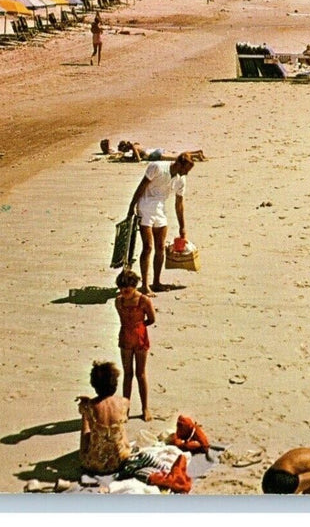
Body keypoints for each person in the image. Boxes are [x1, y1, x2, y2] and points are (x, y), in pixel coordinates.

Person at [126, 153, 195, 295]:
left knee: (160, 247)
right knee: (148, 247)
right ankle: (145, 285)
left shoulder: (181, 180)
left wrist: (182, 226)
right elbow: (141, 186)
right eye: (186, 169)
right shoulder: (157, 167)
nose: (186, 173)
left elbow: (179, 203)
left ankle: (156, 282)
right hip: (145, 206)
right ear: (179, 164)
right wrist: (131, 207)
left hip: (160, 209)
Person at [114, 269, 156, 420]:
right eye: (122, 288)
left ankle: (145, 408)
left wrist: (139, 327)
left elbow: (151, 319)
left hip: (140, 338)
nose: (125, 291)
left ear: (134, 286)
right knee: (127, 374)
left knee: (141, 374)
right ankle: (126, 408)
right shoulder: (119, 301)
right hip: (125, 337)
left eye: (128, 288)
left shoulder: (143, 300)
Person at [77, 361, 132, 474]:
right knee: (119, 427)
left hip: (94, 464)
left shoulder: (90, 406)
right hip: (119, 461)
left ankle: (85, 452)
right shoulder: (124, 402)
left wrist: (85, 407)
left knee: (87, 427)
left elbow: (87, 430)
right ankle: (125, 447)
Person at [115, 140, 205, 163]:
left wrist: (127, 159)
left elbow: (138, 159)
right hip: (156, 150)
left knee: (177, 157)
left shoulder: (134, 148)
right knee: (177, 153)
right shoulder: (136, 144)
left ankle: (196, 155)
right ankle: (196, 152)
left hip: (154, 155)